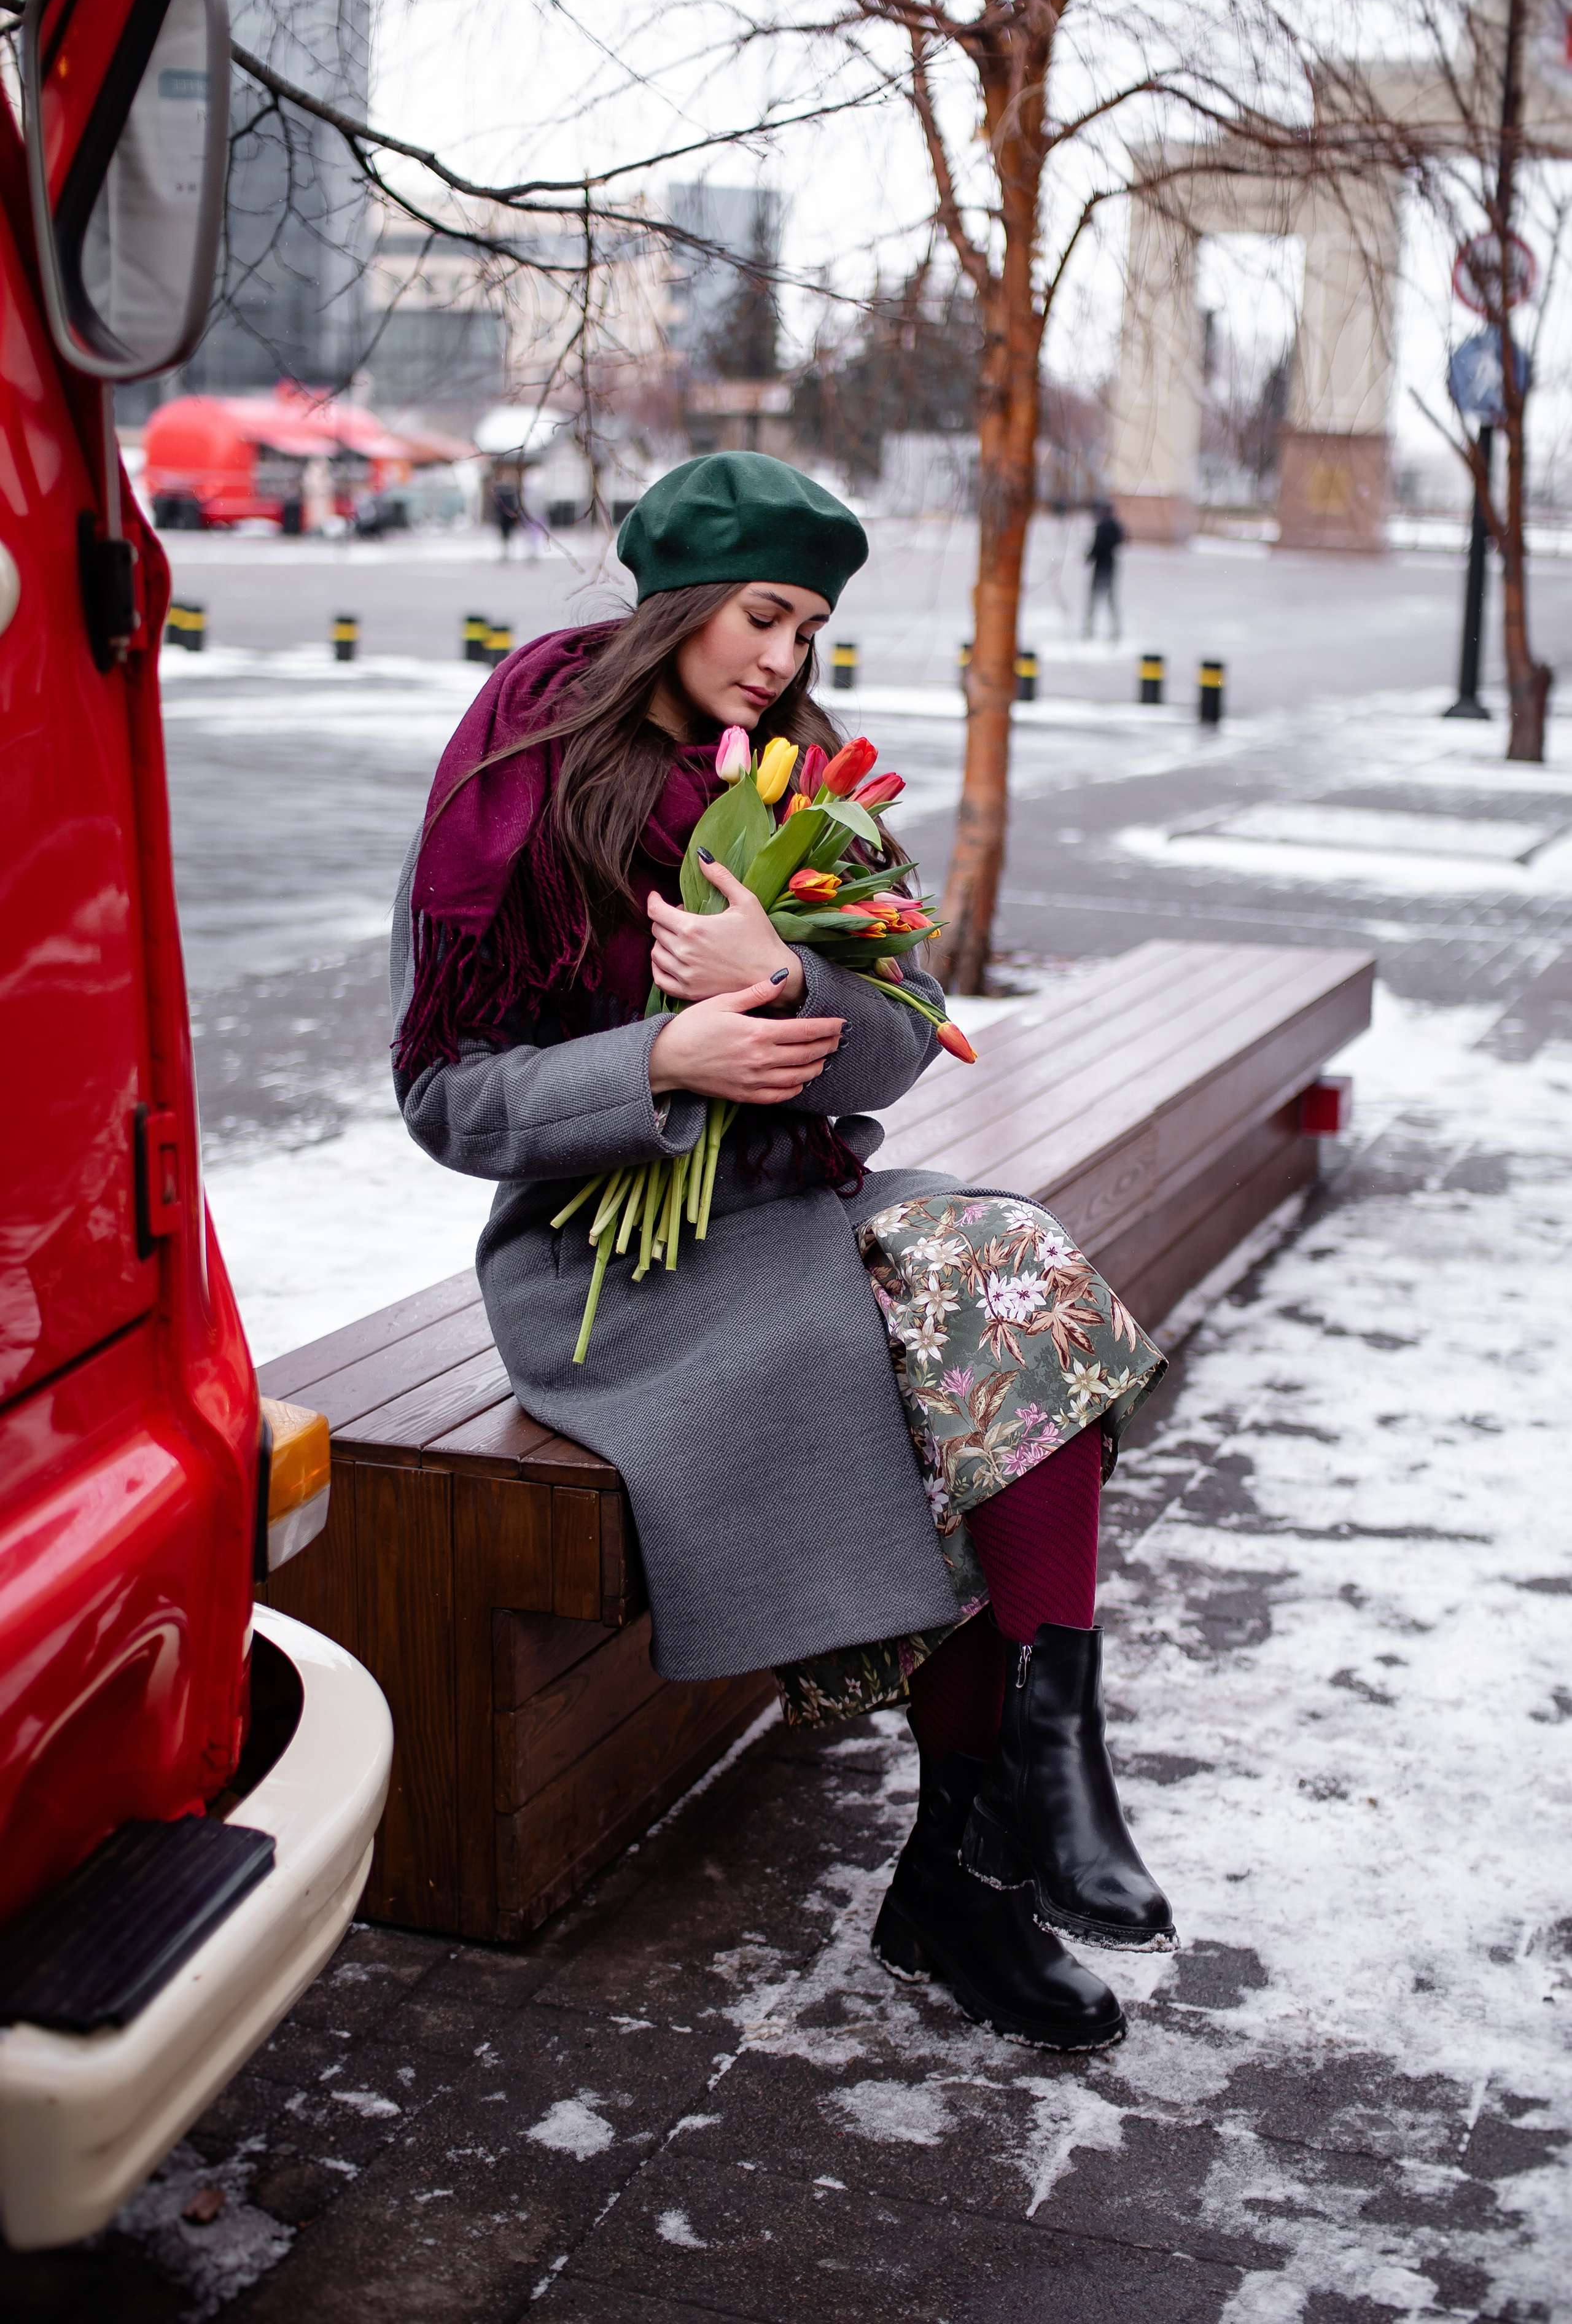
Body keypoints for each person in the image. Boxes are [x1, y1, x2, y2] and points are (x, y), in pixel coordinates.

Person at [392, 451, 1175, 2051]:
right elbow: (442, 1098)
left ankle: (1023, 1792)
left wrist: (791, 984)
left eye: (809, 625)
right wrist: (661, 1064)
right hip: (609, 1262)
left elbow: (908, 1031)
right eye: (762, 615)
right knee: (912, 1398)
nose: (785, 656)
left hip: (805, 1200)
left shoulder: (806, 782)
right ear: (678, 604)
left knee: (1009, 1274)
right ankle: (975, 1873)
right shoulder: (523, 772)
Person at [1084, 498, 1125, 639]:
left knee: (1094, 600)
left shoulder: (1102, 527)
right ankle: (1115, 630)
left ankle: (1089, 629)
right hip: (1111, 567)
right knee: (1111, 600)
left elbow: (1097, 546)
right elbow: (1122, 540)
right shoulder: (1115, 526)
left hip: (1101, 567)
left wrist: (1089, 557)